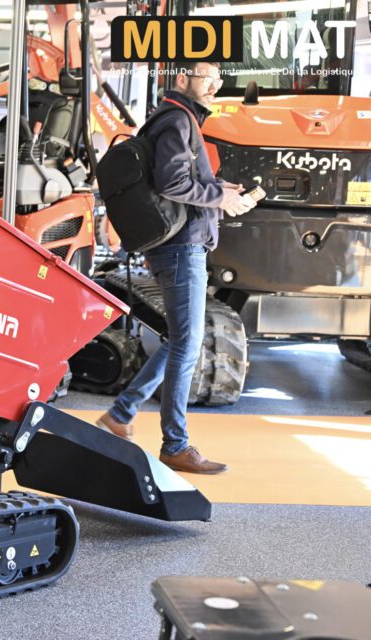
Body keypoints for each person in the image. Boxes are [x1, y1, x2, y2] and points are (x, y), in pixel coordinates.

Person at [95, 62, 254, 475]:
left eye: (219, 79)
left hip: (180, 245)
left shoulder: (174, 119)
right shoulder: (178, 121)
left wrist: (221, 190)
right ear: (182, 80)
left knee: (181, 339)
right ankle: (175, 445)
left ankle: (121, 414)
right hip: (182, 248)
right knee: (187, 343)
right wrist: (220, 199)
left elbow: (175, 182)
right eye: (206, 78)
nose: (215, 85)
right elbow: (172, 183)